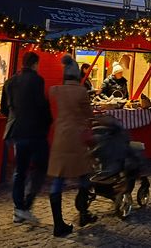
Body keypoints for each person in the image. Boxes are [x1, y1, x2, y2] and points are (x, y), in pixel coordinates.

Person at [47, 54, 97, 237]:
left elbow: (51, 92)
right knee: (84, 177)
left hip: (61, 138)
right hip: (77, 139)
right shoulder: (81, 92)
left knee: (58, 180)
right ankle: (83, 213)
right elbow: (89, 114)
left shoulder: (56, 90)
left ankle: (58, 224)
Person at [0, 51, 52, 225]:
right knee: (41, 166)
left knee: (19, 171)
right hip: (35, 131)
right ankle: (26, 204)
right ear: (35, 64)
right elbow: (42, 106)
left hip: (17, 131)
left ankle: (19, 207)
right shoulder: (37, 80)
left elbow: (4, 108)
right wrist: (47, 123)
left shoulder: (10, 82)